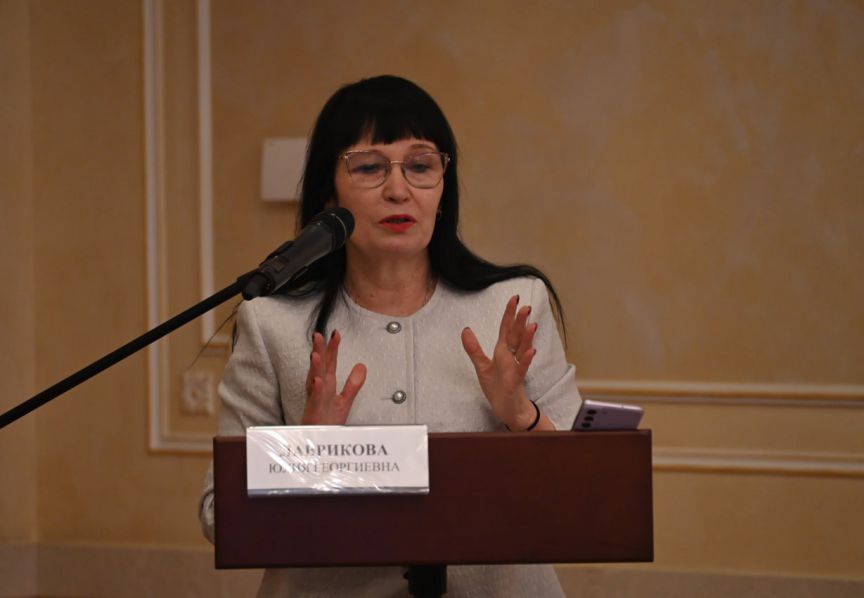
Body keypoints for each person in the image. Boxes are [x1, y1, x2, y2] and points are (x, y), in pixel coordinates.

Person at [199, 75, 582, 597]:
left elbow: (587, 494)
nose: (398, 190)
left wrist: (522, 417)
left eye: (420, 166)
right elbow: (220, 518)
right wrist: (304, 455)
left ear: (443, 189)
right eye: (369, 167)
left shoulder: (514, 306)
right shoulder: (272, 324)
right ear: (329, 193)